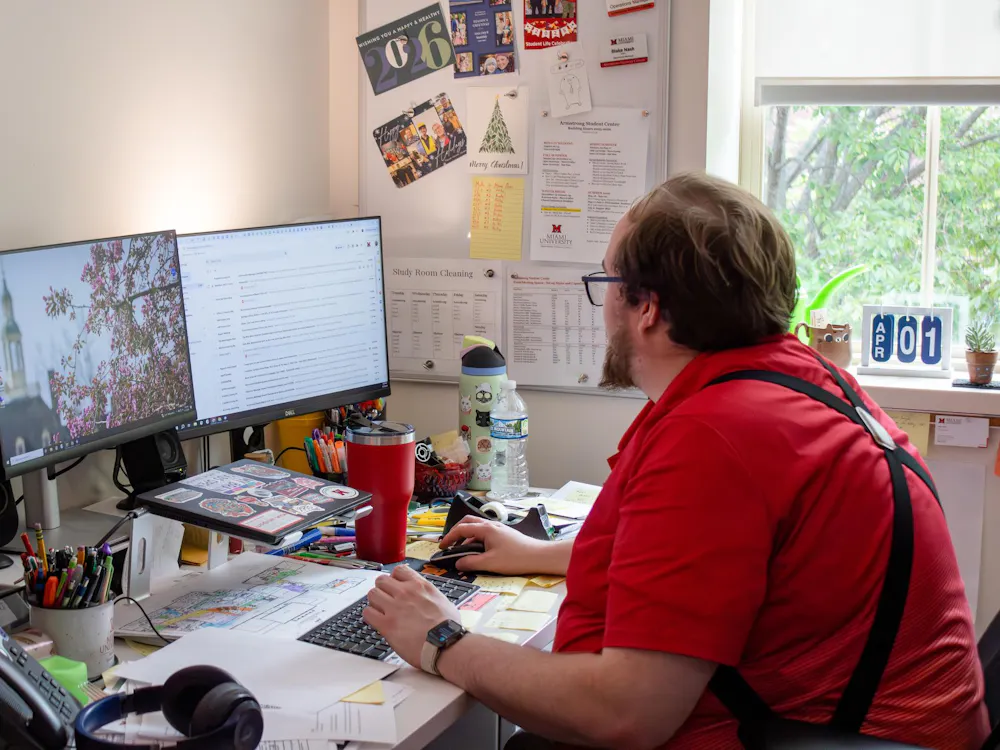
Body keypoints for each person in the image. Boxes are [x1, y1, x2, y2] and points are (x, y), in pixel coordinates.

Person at [362, 172, 989, 749]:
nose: (601, 306)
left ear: (648, 307)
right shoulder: (793, 383)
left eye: (605, 283)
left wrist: (443, 640)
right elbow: (727, 562)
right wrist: (543, 554)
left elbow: (625, 712)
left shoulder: (717, 439)